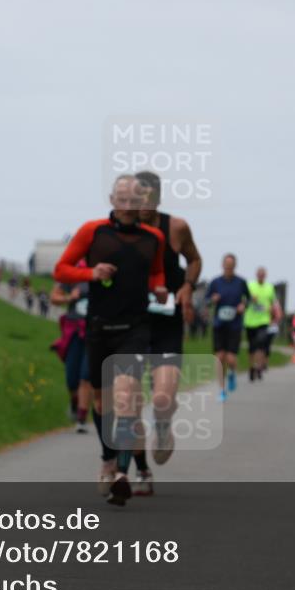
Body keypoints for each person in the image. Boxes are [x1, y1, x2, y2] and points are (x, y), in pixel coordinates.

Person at [53, 175, 167, 506]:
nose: (127, 204)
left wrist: (158, 288)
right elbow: (62, 270)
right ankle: (107, 457)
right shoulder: (93, 231)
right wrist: (91, 273)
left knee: (126, 395)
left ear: (142, 201)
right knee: (103, 404)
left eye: (134, 199)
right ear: (111, 199)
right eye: (121, 198)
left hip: (135, 327)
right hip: (100, 327)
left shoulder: (153, 238)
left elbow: (157, 272)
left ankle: (120, 471)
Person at [134, 171, 202, 495]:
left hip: (166, 323)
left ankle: (163, 425)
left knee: (162, 398)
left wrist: (188, 286)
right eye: (137, 198)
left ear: (158, 199)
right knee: (127, 405)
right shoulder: (119, 230)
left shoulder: (176, 227)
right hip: (130, 325)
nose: (143, 206)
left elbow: (195, 259)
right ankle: (139, 470)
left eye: (149, 199)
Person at [49, 263, 91, 434]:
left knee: (85, 376)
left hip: (95, 332)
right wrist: (70, 298)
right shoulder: (74, 271)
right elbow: (54, 297)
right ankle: (75, 402)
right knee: (71, 378)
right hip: (74, 331)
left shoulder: (106, 269)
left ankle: (81, 418)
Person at [206, 253, 249, 401]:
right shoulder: (215, 282)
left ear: (234, 266)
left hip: (234, 324)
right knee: (219, 358)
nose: (228, 267)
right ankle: (222, 390)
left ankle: (232, 373)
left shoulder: (241, 282)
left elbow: (247, 298)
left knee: (230, 358)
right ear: (222, 265)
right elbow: (207, 300)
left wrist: (243, 305)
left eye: (231, 265)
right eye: (226, 264)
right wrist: (212, 299)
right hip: (219, 324)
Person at [243, 267, 281, 382]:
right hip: (250, 320)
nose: (261, 276)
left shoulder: (270, 287)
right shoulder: (250, 286)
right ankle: (251, 367)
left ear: (265, 275)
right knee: (252, 346)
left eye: (263, 274)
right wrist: (250, 300)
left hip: (264, 321)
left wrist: (275, 311)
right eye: (259, 274)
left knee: (261, 344)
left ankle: (259, 367)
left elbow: (274, 302)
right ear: (256, 275)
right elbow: (243, 301)